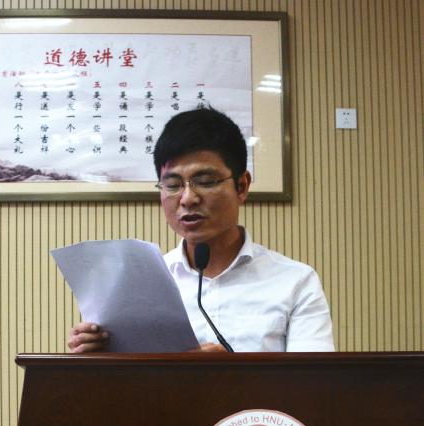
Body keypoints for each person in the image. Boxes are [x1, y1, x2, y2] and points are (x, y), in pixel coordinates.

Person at [68, 107, 334, 353]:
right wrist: (99, 357)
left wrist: (231, 374)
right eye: (173, 185)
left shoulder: (295, 281)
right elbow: (123, 383)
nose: (188, 198)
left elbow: (313, 382)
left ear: (242, 186)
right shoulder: (134, 291)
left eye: (205, 181)